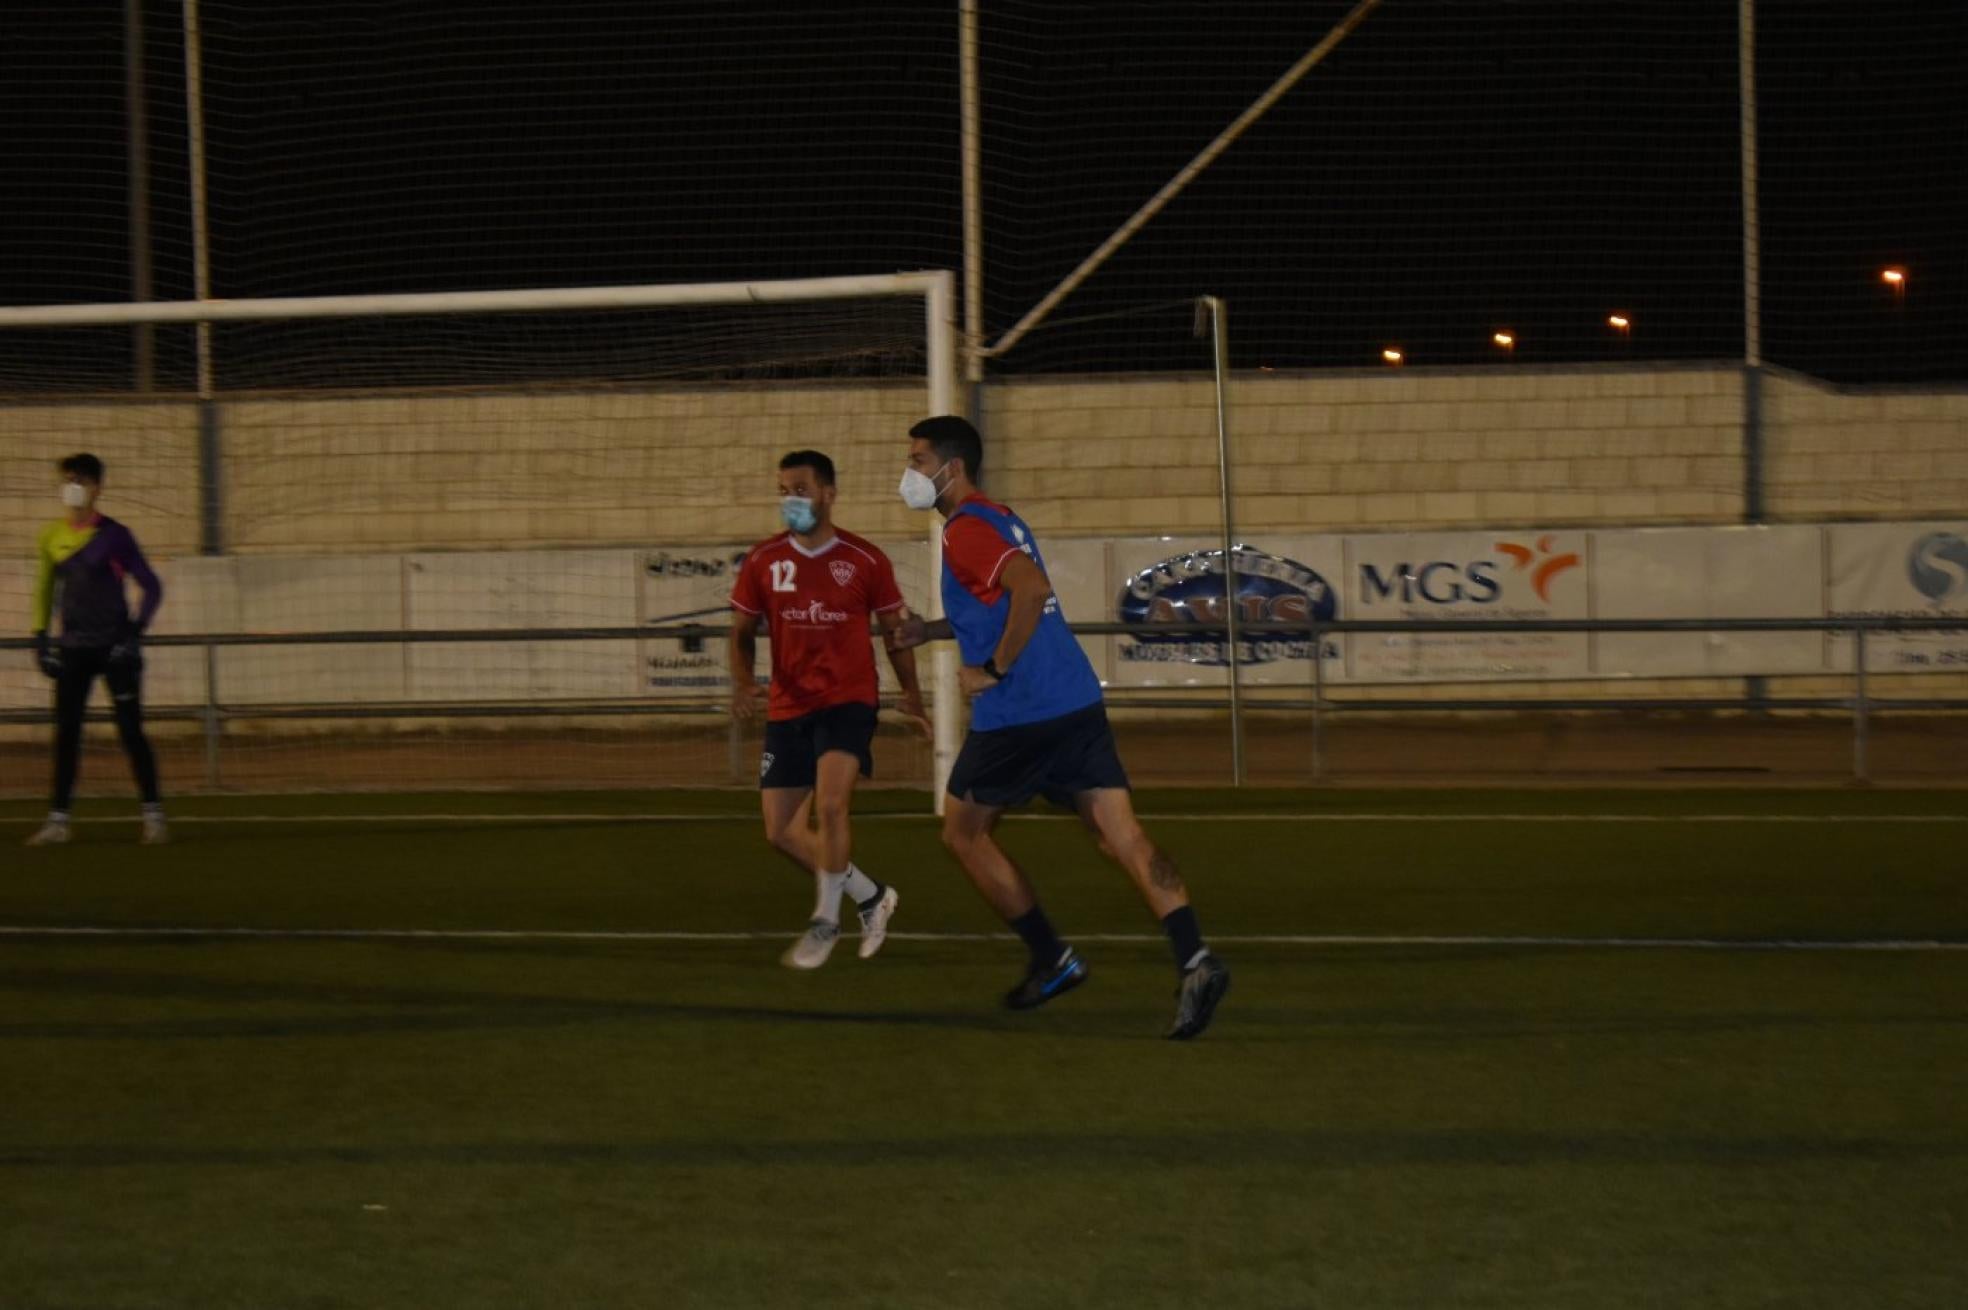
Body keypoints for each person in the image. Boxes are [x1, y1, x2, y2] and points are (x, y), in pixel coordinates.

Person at [888, 415, 1230, 1040]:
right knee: (1119, 834)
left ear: (951, 468)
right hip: (1073, 700)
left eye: (916, 460)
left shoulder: (965, 529)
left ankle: (1053, 959)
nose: (909, 473)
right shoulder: (998, 517)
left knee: (962, 832)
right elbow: (997, 600)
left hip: (1020, 714)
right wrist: (933, 631)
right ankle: (1196, 959)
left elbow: (1031, 588)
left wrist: (993, 668)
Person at [729, 449, 929, 968]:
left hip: (848, 700)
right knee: (781, 831)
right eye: (782, 490)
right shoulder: (763, 560)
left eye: (798, 489)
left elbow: (894, 632)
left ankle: (825, 921)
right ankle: (870, 895)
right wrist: (744, 682)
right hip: (788, 704)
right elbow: (741, 632)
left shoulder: (865, 560)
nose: (789, 499)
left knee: (833, 806)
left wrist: (912, 692)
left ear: (828, 494)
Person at [25, 453, 168, 847]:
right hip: (73, 650)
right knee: (67, 734)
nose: (72, 488)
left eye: (81, 481)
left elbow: (151, 586)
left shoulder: (116, 535)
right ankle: (58, 821)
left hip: (115, 650)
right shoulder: (50, 536)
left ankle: (153, 816)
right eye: (68, 480)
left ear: (97, 488)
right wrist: (40, 639)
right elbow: (43, 590)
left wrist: (133, 634)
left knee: (130, 732)